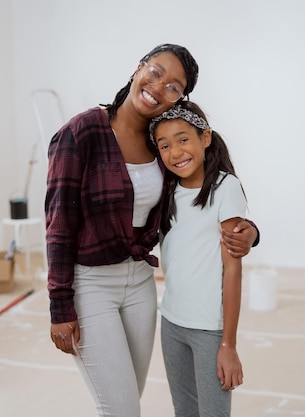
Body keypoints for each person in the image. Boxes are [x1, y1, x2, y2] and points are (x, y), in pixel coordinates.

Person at [45, 44, 258, 417]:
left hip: (141, 282)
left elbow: (196, 204)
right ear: (139, 68)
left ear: (181, 99)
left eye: (175, 86)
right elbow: (59, 225)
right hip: (92, 283)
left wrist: (249, 230)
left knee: (130, 395)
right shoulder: (81, 133)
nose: (160, 87)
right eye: (156, 72)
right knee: (122, 408)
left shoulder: (161, 143)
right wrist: (59, 304)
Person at [150, 100, 246, 417]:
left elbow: (233, 271)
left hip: (209, 329)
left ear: (204, 138)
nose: (175, 152)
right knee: (185, 411)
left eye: (183, 139)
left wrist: (228, 344)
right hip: (172, 324)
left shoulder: (225, 187)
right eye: (164, 145)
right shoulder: (166, 193)